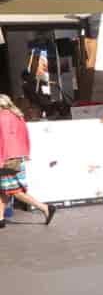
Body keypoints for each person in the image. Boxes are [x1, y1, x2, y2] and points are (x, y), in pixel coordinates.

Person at [0, 94, 55, 227]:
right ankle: (0, 218)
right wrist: (25, 152)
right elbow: (25, 136)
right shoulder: (17, 116)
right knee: (4, 188)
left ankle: (45, 208)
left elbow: (2, 141)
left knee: (13, 190)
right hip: (17, 156)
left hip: (6, 157)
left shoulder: (1, 118)